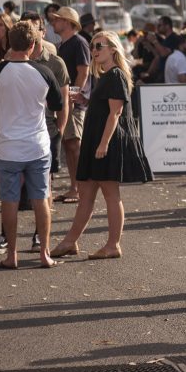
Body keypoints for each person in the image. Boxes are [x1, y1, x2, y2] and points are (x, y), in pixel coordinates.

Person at [49, 31, 153, 261]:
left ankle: (113, 244)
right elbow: (107, 109)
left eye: (99, 46)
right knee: (86, 193)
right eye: (93, 46)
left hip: (106, 142)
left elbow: (115, 114)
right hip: (95, 140)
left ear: (113, 49)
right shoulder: (106, 76)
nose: (94, 50)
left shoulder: (115, 75)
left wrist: (104, 143)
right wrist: (85, 101)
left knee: (110, 194)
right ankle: (69, 241)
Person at [0, 21, 62, 270]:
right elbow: (58, 105)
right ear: (34, 45)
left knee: (9, 201)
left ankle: (12, 255)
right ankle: (44, 254)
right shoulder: (44, 72)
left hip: (8, 146)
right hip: (37, 145)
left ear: (9, 43)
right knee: (41, 199)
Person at [49, 6, 90, 204]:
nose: (53, 22)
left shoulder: (78, 42)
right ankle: (75, 187)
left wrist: (74, 95)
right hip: (66, 102)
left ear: (67, 22)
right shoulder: (64, 44)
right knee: (69, 145)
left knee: (73, 145)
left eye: (57, 19)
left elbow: (83, 71)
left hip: (73, 103)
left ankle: (80, 188)